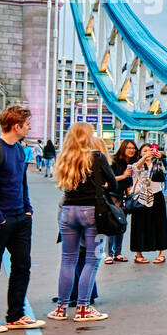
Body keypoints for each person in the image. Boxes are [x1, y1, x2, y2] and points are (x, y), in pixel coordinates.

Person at [0, 105, 45, 333]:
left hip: (21, 218)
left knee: (22, 266)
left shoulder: (20, 151)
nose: (30, 127)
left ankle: (16, 315)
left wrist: (28, 210)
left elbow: (21, 183)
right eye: (27, 124)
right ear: (16, 126)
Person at [45, 123, 115, 324]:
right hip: (92, 214)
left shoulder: (64, 157)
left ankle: (61, 308)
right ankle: (83, 308)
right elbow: (115, 183)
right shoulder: (98, 157)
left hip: (68, 213)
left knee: (68, 259)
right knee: (92, 261)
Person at [129, 143, 167, 264]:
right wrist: (144, 158)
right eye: (144, 151)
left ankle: (162, 253)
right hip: (141, 197)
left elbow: (164, 173)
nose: (148, 153)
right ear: (140, 153)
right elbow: (135, 168)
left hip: (156, 195)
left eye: (150, 150)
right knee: (139, 225)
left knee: (160, 224)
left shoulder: (157, 163)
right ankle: (138, 254)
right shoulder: (138, 164)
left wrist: (160, 157)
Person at [104, 138, 139, 264]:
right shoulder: (113, 161)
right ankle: (109, 254)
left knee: (122, 224)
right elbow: (106, 182)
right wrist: (123, 176)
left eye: (134, 148)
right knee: (112, 224)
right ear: (123, 148)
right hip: (112, 196)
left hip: (125, 197)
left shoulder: (134, 163)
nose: (132, 150)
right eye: (129, 148)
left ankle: (118, 253)